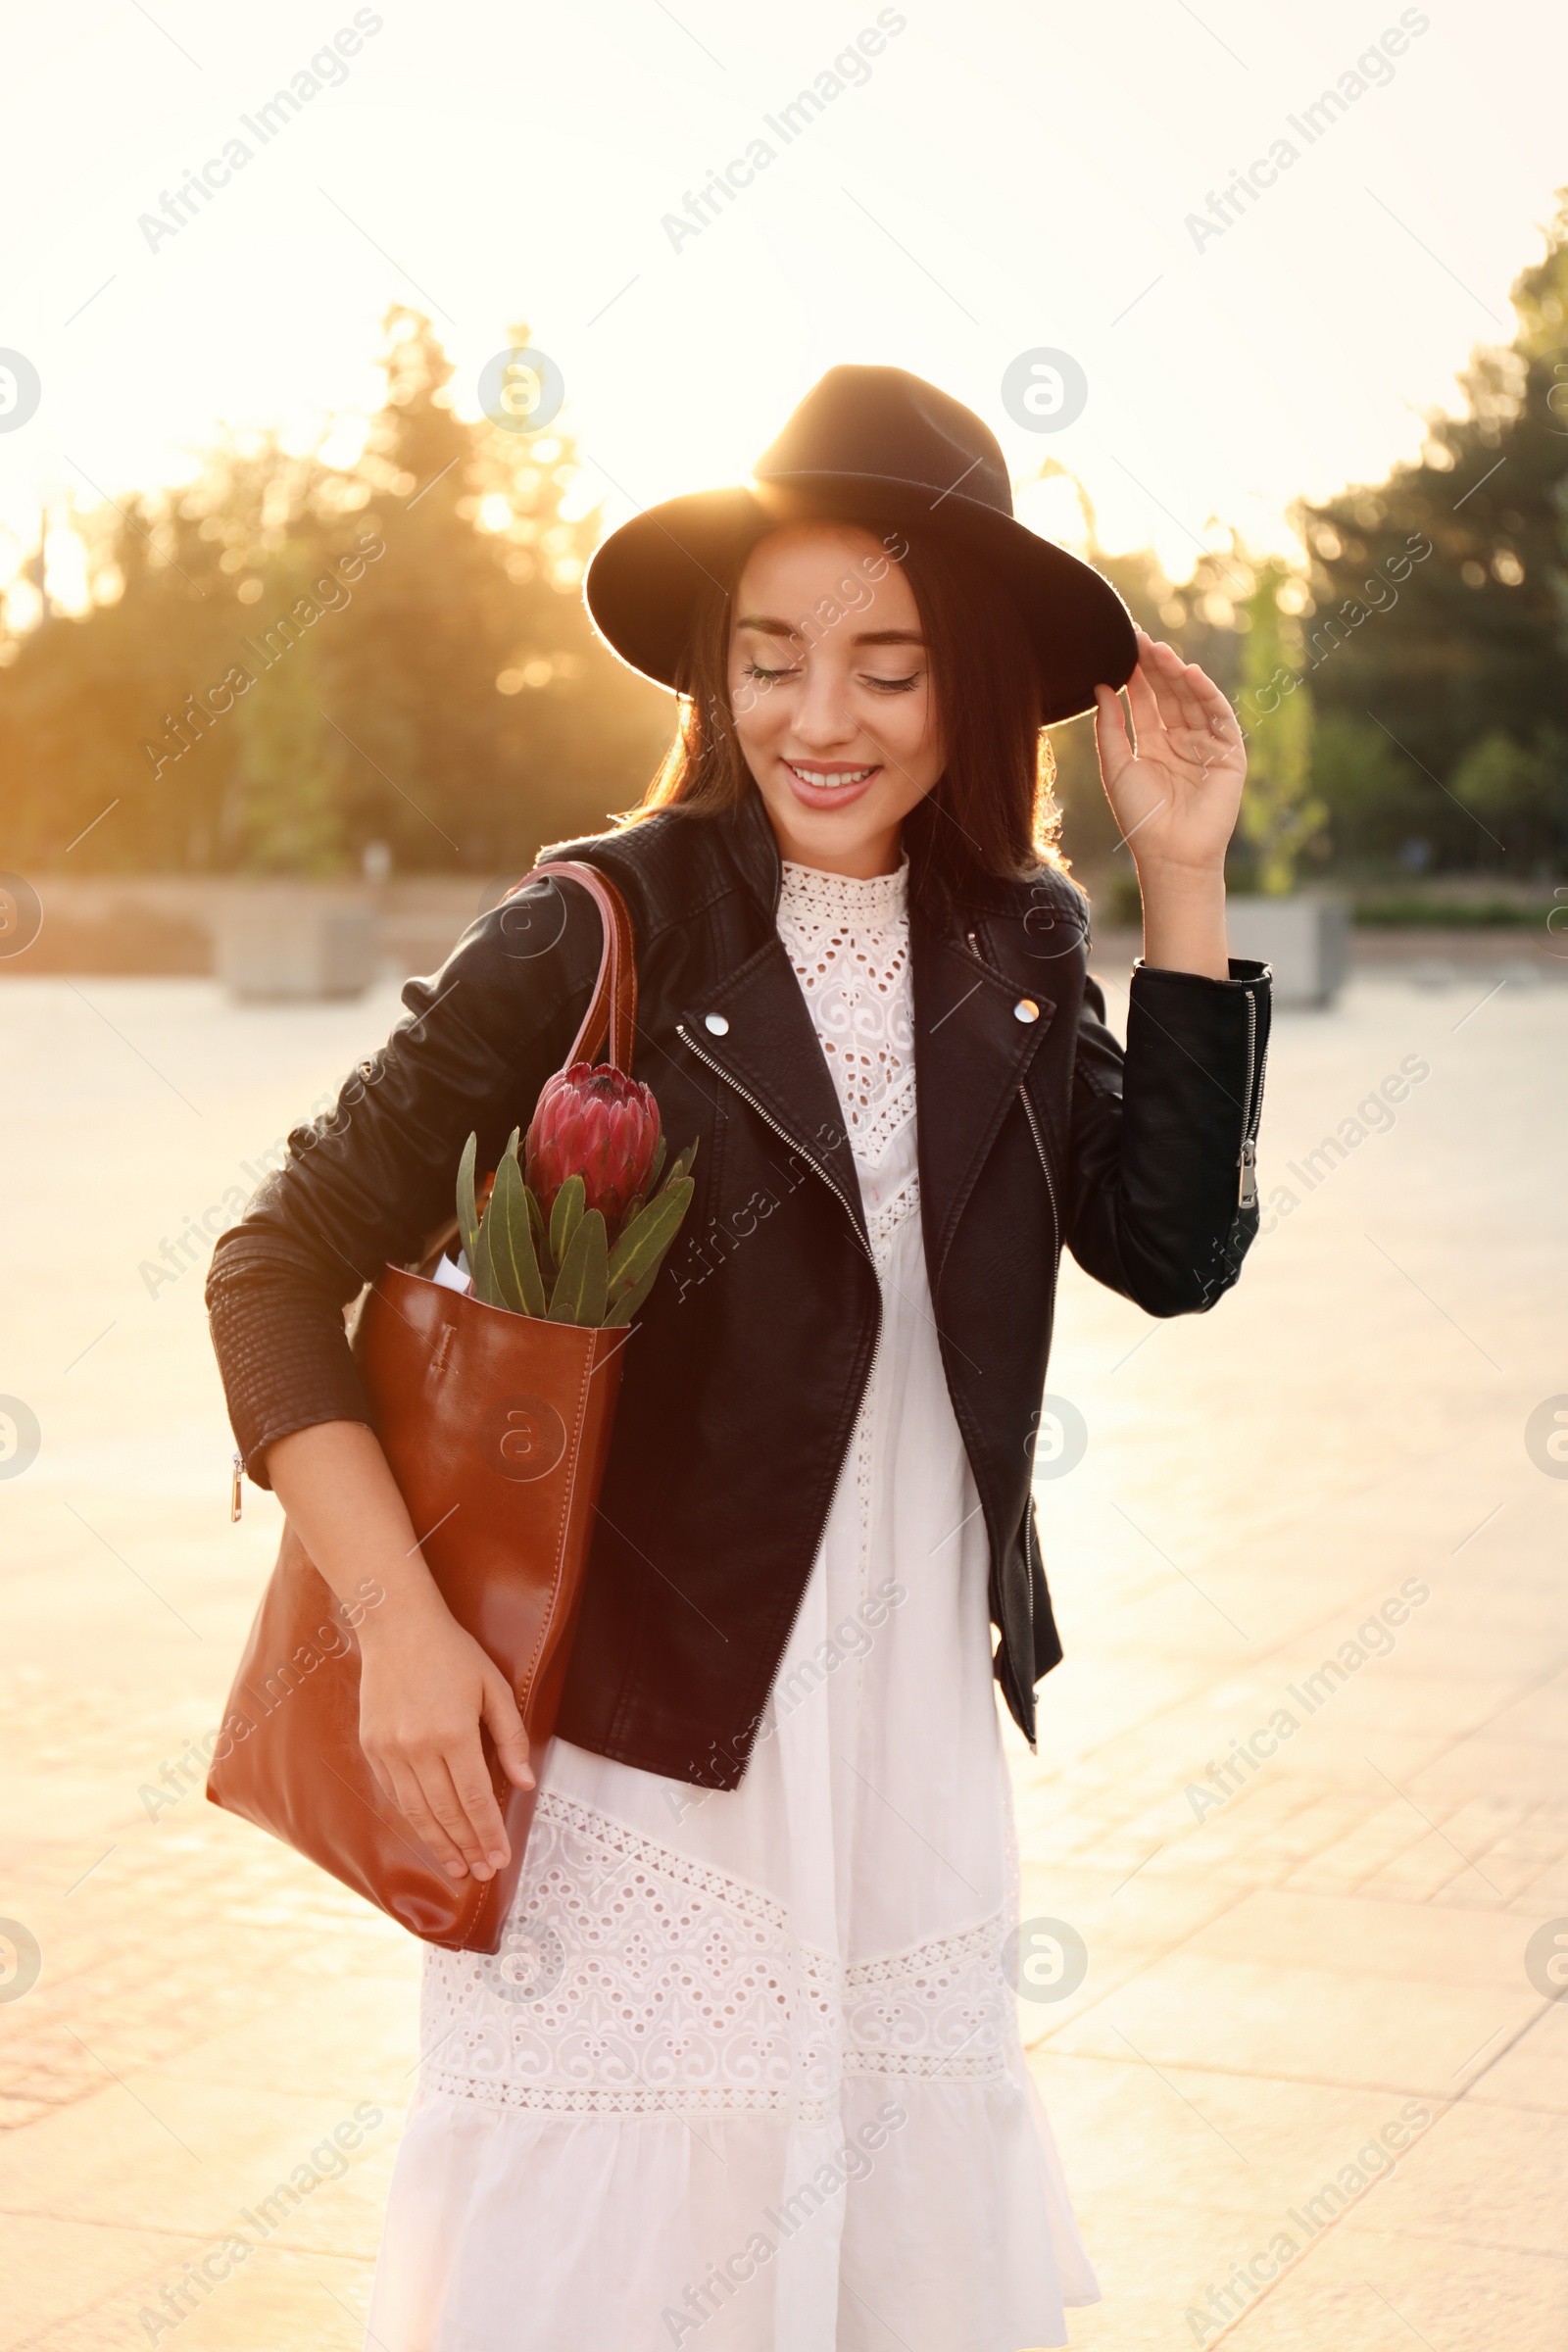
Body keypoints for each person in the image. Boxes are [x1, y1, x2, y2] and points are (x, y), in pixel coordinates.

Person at [206, 364, 1270, 2352]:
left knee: (879, 2248)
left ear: (961, 686)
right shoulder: (600, 926)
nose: (816, 717)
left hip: (909, 1738)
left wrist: (1182, 878)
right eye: (770, 658)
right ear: (713, 671)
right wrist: (407, 1628)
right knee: (634, 2249)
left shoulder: (1012, 944)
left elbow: (1171, 1247)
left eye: (882, 666)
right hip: (640, 1738)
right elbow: (275, 1260)